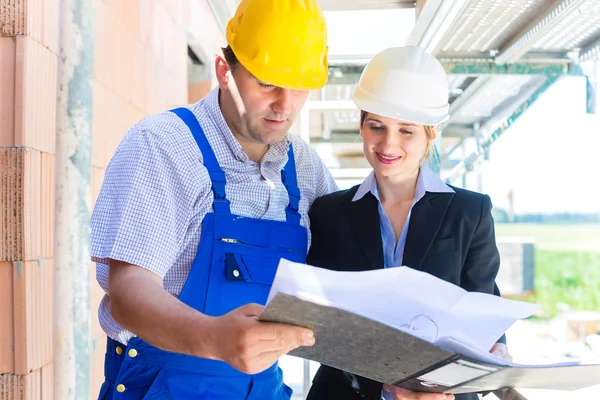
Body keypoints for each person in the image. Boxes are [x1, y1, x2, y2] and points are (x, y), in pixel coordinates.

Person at [90, 1, 338, 398]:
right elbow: (128, 290)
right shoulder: (164, 146)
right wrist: (214, 338)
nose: (285, 105)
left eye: (299, 87)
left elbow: (346, 280)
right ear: (225, 71)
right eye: (268, 83)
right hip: (163, 386)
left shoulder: (306, 168)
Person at [304, 46, 512, 400]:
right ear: (361, 125)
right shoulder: (329, 213)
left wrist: (494, 351)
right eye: (376, 126)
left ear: (431, 133)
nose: (388, 143)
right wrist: (386, 382)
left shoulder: (469, 212)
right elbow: (322, 326)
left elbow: (482, 309)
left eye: (407, 131)